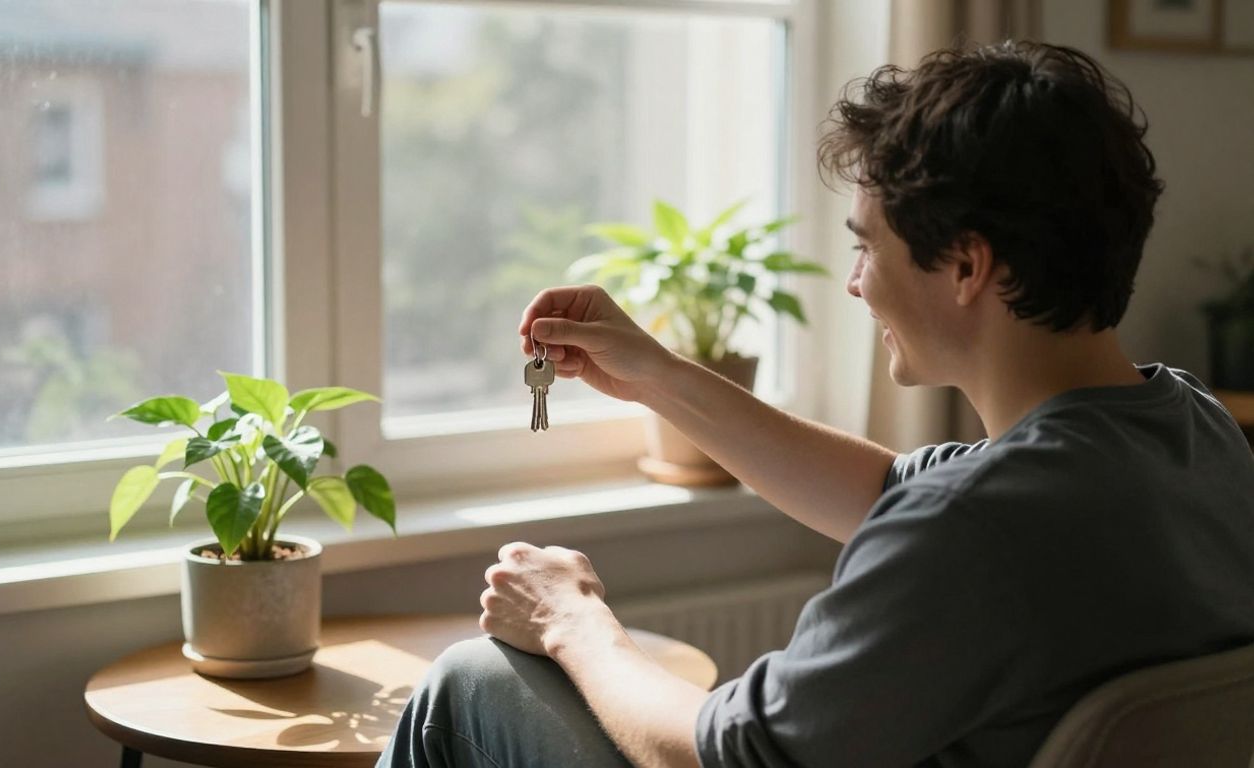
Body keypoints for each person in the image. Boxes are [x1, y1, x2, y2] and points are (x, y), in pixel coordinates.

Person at [376, 40, 1254, 768]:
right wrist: (656, 374)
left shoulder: (972, 531)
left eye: (867, 248)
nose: (855, 283)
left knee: (471, 681)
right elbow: (891, 495)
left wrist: (571, 621)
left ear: (965, 266)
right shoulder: (1194, 432)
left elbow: (724, 757)